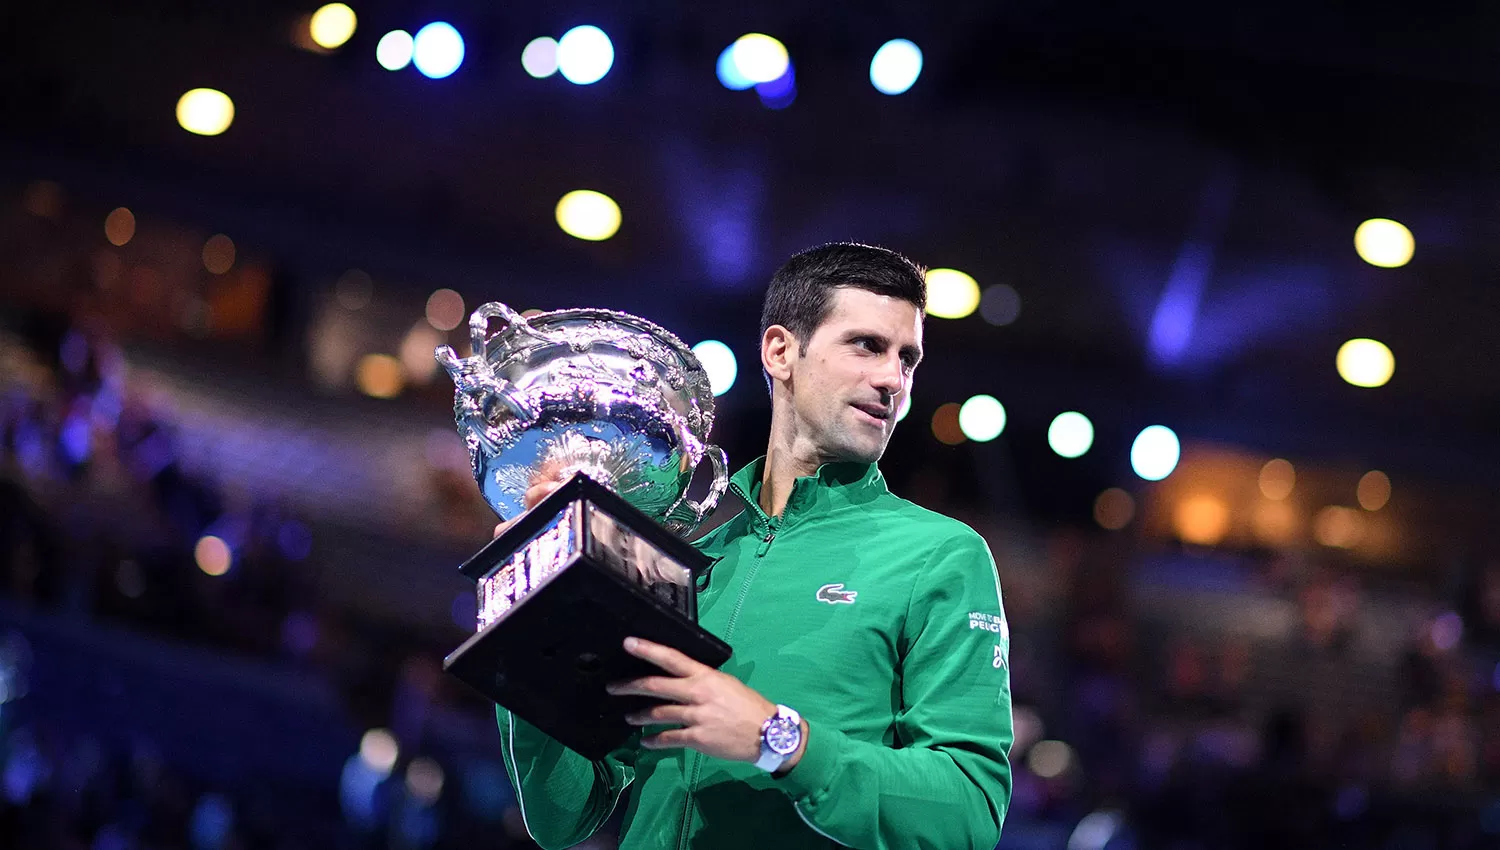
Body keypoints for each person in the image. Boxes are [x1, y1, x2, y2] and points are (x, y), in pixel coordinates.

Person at [497, 243, 1014, 849]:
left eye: (908, 359)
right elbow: (561, 816)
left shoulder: (943, 555)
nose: (891, 380)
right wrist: (533, 614)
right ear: (780, 352)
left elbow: (969, 814)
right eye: (866, 346)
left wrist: (782, 740)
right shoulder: (678, 554)